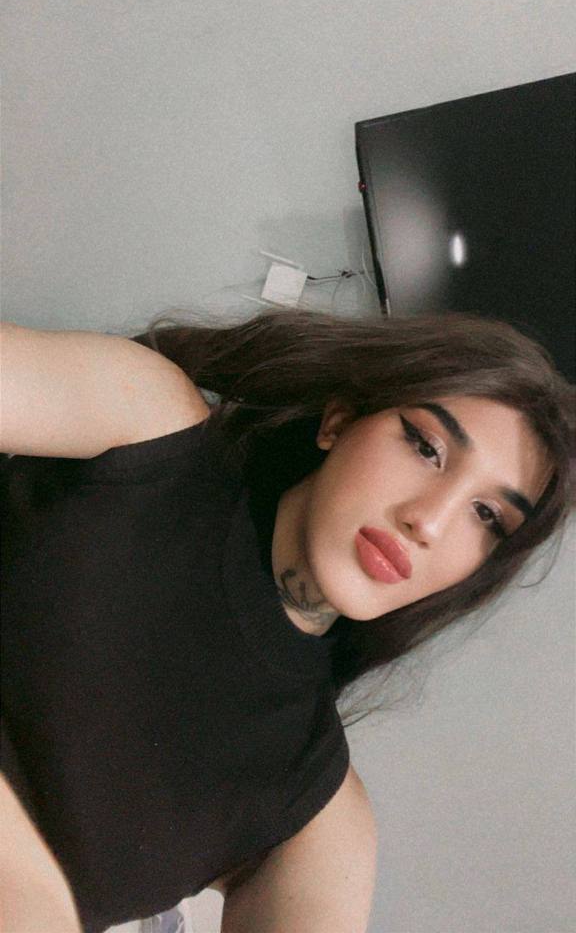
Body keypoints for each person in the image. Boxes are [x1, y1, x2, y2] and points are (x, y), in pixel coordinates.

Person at [1, 305, 574, 933]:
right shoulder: (147, 421)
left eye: (487, 516)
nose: (429, 521)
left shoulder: (318, 815)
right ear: (340, 421)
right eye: (425, 446)